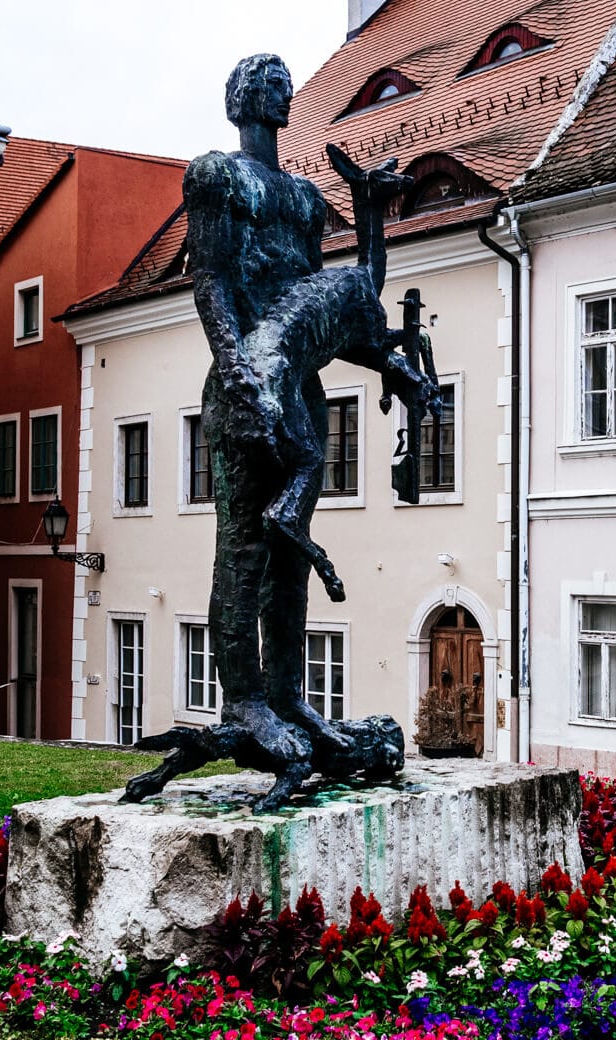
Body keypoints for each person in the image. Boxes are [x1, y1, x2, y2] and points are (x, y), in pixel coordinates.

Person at [182, 52, 438, 767]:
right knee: (243, 548)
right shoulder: (216, 175)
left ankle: (288, 694)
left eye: (283, 83)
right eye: (263, 81)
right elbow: (212, 285)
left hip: (299, 386)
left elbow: (323, 315)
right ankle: (243, 700)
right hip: (243, 384)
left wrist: (391, 366)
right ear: (237, 99)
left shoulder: (302, 199)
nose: (278, 89)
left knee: (287, 556)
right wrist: (237, 378)